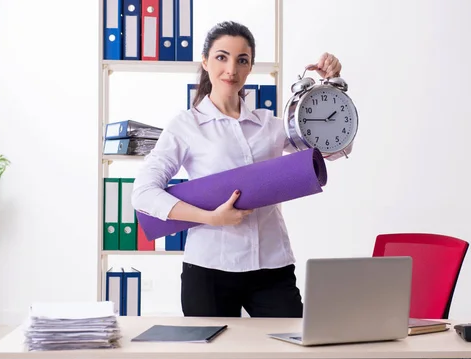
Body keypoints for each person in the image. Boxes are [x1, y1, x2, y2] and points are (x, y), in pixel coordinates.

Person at [131, 21, 344, 319]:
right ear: (205, 62)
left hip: (272, 266)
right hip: (209, 270)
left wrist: (331, 87)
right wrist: (210, 218)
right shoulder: (186, 126)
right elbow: (142, 193)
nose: (231, 68)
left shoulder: (269, 125)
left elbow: (334, 149)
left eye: (241, 60)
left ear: (250, 67)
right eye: (221, 57)